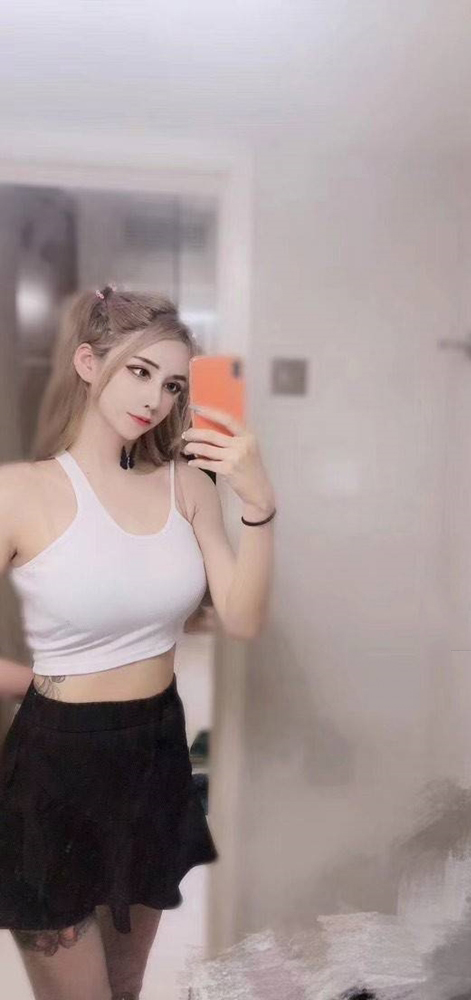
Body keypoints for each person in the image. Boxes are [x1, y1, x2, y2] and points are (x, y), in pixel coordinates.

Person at [0, 286, 276, 1000]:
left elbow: (242, 619)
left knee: (125, 990)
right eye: (140, 371)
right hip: (57, 764)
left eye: (174, 384)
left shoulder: (187, 486)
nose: (156, 398)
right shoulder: (19, 492)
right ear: (88, 363)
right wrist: (39, 685)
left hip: (155, 753)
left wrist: (258, 503)